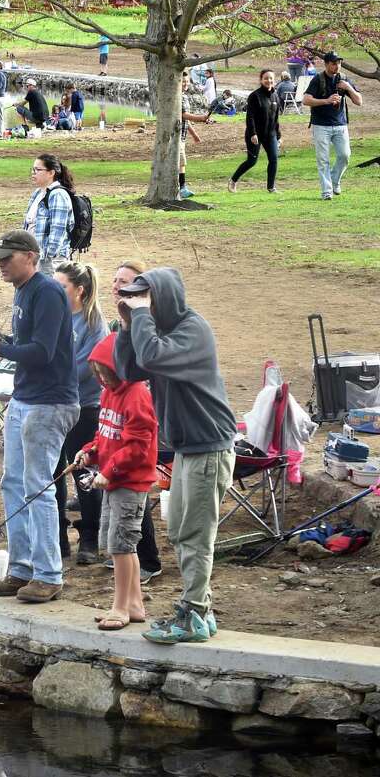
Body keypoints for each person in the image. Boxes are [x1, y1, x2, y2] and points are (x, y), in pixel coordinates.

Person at [114, 267, 237, 644]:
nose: (137, 302)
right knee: (183, 531)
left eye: (143, 296)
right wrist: (126, 325)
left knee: (195, 534)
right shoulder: (159, 329)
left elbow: (151, 357)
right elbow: (129, 369)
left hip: (209, 446)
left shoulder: (192, 329)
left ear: (162, 297)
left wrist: (140, 318)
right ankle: (199, 609)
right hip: (188, 447)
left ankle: (195, 614)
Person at [0, 229, 78, 604]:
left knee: (37, 486)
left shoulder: (48, 291)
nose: (1, 264)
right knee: (12, 482)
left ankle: (49, 574)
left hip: (49, 403)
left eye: (7, 258)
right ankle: (20, 569)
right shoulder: (23, 291)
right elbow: (29, 344)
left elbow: (44, 352)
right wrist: (2, 337)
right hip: (24, 398)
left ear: (30, 256)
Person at [76, 333, 158, 631]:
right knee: (120, 545)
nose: (100, 377)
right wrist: (90, 453)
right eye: (96, 371)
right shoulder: (108, 392)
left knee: (121, 546)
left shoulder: (137, 395)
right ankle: (135, 604)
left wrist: (109, 471)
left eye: (104, 371)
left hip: (130, 484)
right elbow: (105, 434)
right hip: (113, 482)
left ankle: (120, 607)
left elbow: (138, 445)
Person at [107, 260, 163, 583]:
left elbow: (138, 373)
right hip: (121, 415)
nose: (118, 287)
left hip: (145, 419)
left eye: (126, 283)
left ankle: (149, 559)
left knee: (133, 491)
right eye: (116, 281)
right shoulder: (121, 325)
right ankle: (125, 557)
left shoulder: (149, 327)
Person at [51, 261, 108, 564]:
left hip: (84, 407)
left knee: (85, 473)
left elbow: (87, 368)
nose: (56, 291)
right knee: (54, 472)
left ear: (80, 290)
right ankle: (59, 538)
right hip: (52, 406)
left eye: (62, 286)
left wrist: (49, 377)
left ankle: (90, 538)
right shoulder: (54, 316)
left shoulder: (94, 323)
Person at [303, 51, 363, 199]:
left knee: (345, 155)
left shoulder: (343, 79)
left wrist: (348, 87)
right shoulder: (318, 79)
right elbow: (306, 100)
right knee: (323, 159)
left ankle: (335, 180)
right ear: (326, 64)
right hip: (321, 125)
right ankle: (326, 192)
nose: (337, 66)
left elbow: (359, 101)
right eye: (334, 63)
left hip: (340, 124)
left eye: (339, 63)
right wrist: (327, 100)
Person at [229, 70, 282, 194]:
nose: (269, 81)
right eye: (266, 78)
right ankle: (233, 180)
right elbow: (250, 117)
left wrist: (278, 135)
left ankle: (271, 187)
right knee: (252, 161)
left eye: (271, 79)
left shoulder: (275, 96)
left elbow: (276, 118)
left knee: (274, 159)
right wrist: (253, 133)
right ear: (261, 80)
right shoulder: (255, 96)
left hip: (271, 134)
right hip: (255, 135)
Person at [22, 153, 74, 274]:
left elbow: (58, 230)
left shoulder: (58, 195)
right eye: (33, 169)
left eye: (38, 169)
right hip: (35, 257)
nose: (33, 173)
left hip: (50, 261)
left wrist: (47, 256)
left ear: (51, 173)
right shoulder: (38, 193)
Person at [178, 73, 210, 199]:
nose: (185, 84)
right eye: (183, 81)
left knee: (180, 163)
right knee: (181, 163)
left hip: (183, 135)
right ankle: (182, 188)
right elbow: (184, 115)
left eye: (187, 81)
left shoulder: (184, 96)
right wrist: (201, 118)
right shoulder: (178, 97)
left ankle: (180, 187)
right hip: (177, 135)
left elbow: (185, 119)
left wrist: (194, 134)